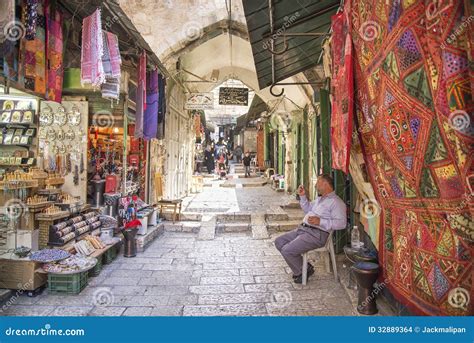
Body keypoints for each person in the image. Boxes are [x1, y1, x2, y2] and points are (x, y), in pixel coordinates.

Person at [274, 175, 347, 284]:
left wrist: (320, 221)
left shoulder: (336, 202)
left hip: (317, 234)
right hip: (303, 229)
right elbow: (308, 209)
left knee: (287, 250)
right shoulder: (320, 199)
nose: (316, 185)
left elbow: (342, 223)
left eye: (318, 183)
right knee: (279, 242)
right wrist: (303, 196)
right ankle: (305, 267)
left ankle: (301, 271)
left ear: (325, 184)